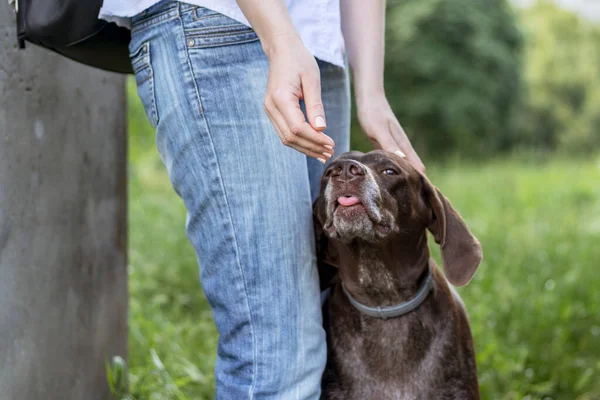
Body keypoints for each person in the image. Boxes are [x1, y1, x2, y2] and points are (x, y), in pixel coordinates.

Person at [99, 0, 424, 398]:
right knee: (277, 354)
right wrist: (279, 38)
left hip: (318, 45)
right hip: (222, 26)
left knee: (325, 315)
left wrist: (372, 90)